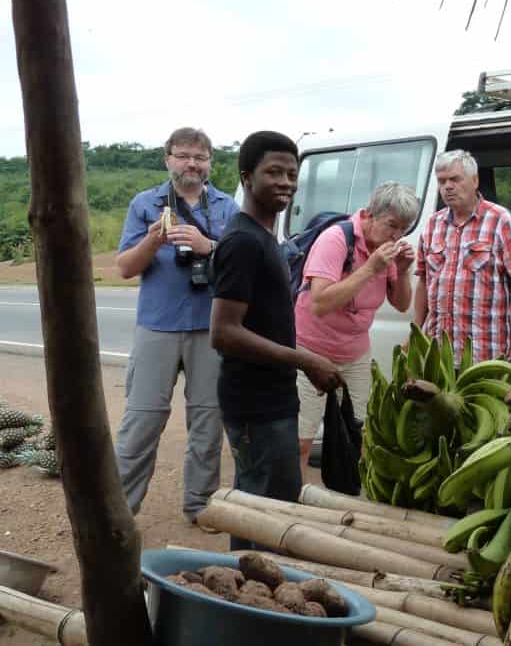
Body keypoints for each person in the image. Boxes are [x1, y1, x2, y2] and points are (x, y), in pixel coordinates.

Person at [209, 131, 342, 549]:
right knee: (265, 516)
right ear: (247, 177)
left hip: (272, 398)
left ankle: (252, 596)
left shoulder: (266, 238)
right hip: (256, 406)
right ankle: (252, 604)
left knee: (263, 508)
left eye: (292, 172)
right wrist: (306, 361)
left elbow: (264, 324)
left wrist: (304, 360)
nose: (286, 181)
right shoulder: (243, 242)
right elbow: (224, 331)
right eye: (273, 172)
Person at [113, 127, 238, 526]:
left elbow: (244, 267)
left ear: (210, 163)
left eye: (200, 157)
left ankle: (200, 506)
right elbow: (125, 268)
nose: (192, 164)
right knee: (142, 419)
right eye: (183, 155)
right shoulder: (145, 204)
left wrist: (209, 247)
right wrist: (153, 241)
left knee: (207, 422)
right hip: (158, 327)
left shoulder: (227, 207)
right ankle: (117, 510)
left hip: (211, 327)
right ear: (167, 158)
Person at [294, 181, 419, 481]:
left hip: (354, 352)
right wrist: (371, 269)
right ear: (371, 214)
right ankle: (292, 503)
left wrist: (401, 272)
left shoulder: (384, 250)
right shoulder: (335, 240)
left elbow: (402, 305)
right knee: (302, 437)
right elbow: (320, 303)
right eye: (392, 225)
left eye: (403, 229)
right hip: (311, 350)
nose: (396, 235)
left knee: (360, 430)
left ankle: (349, 494)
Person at [414, 149, 511, 364]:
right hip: (439, 352)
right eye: (442, 181)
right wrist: (415, 332)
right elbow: (424, 281)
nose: (448, 186)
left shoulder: (501, 220)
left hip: (488, 349)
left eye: (455, 179)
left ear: (475, 180)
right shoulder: (432, 225)